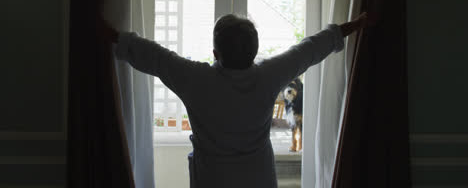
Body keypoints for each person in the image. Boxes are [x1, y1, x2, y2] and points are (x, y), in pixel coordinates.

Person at [100, 12, 368, 188]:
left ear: (215, 52)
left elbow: (151, 55)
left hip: (212, 180)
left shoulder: (195, 79)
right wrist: (356, 24)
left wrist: (108, 32)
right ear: (255, 51)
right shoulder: (269, 75)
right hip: (259, 179)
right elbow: (310, 49)